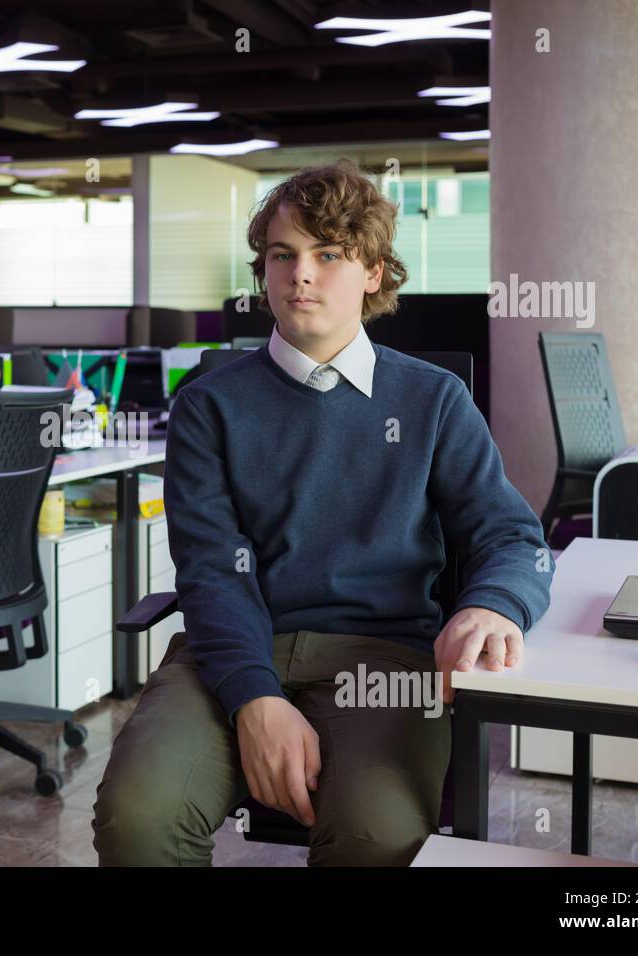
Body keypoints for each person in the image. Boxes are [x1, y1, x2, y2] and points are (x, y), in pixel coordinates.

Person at [91, 160, 553, 866]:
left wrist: (493, 605)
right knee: (138, 817)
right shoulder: (210, 405)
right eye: (283, 255)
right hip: (234, 645)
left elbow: (509, 533)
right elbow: (213, 570)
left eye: (328, 254)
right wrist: (255, 699)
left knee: (375, 835)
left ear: (372, 272)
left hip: (385, 657)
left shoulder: (432, 400)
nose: (300, 274)